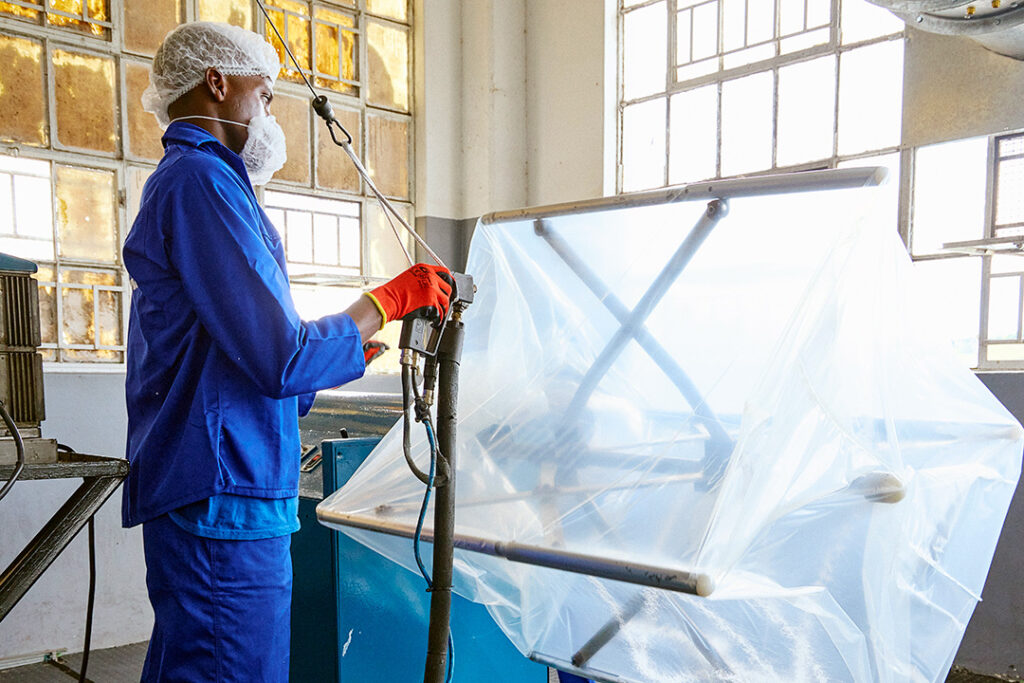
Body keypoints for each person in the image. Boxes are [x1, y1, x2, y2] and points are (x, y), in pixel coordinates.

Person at [121, 21, 452, 682]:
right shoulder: (200, 183)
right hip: (223, 495)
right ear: (217, 82)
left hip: (235, 488)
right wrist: (384, 300)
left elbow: (276, 371)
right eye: (264, 94)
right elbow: (281, 358)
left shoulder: (215, 188)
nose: (269, 111)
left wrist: (353, 339)